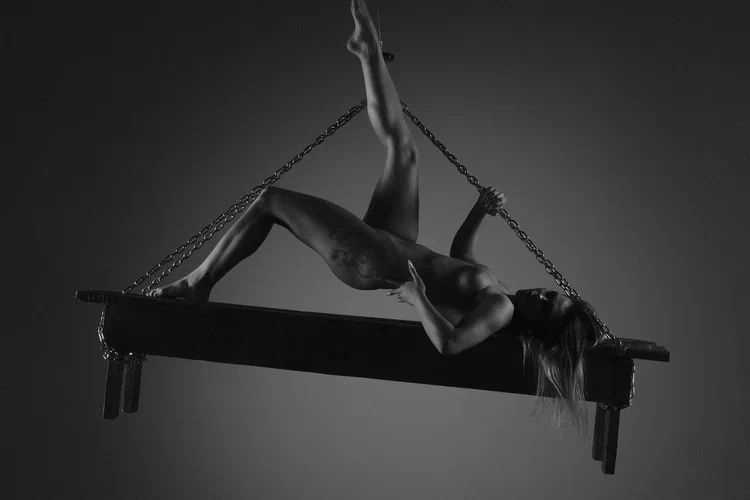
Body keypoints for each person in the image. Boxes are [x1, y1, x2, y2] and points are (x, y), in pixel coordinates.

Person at [151, 0, 601, 427]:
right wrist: (479, 212)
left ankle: (198, 283)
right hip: (394, 240)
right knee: (404, 152)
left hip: (369, 258)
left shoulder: (500, 311)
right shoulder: (498, 293)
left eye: (548, 305)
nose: (542, 294)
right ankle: (368, 56)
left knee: (271, 201)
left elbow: (449, 344)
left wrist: (417, 297)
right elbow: (460, 253)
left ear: (541, 328)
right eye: (550, 293)